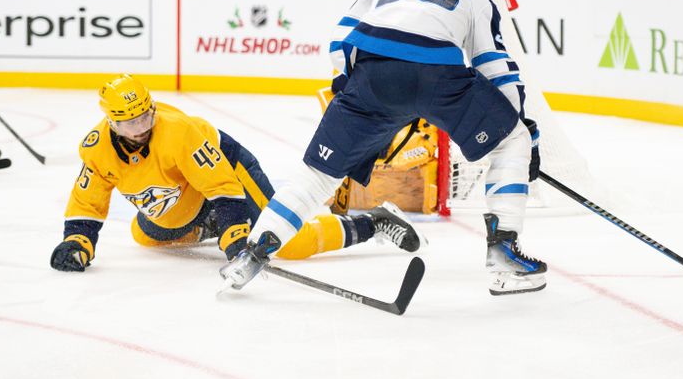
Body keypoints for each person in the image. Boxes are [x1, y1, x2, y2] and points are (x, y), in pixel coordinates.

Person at [221, 0, 545, 296]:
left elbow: (341, 38)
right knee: (512, 141)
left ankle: (253, 252)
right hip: (438, 73)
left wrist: (350, 90)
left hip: (372, 75)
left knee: (319, 173)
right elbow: (495, 66)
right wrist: (521, 130)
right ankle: (504, 253)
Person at [50, 74, 424, 273]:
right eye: (130, 122)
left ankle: (373, 222)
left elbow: (222, 185)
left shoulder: (178, 131)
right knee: (144, 235)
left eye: (145, 115)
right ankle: (212, 225)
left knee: (289, 245)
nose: (141, 127)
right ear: (112, 122)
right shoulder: (96, 148)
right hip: (187, 198)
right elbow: (87, 199)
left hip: (228, 170)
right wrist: (78, 243)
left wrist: (235, 234)